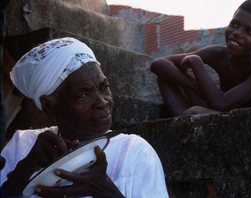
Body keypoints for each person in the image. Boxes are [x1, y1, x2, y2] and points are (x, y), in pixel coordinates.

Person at [0, 37, 169, 198]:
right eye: (83, 95)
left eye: (105, 87)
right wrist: (19, 177)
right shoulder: (22, 146)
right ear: (48, 106)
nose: (103, 102)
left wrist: (107, 193)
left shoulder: (133, 151)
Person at [150, 0, 251, 117]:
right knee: (167, 74)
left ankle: (184, 123)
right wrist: (192, 84)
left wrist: (196, 62)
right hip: (220, 113)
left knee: (194, 112)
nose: (237, 33)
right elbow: (158, 64)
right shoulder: (218, 53)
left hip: (248, 125)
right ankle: (181, 122)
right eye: (234, 24)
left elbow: (221, 104)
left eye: (249, 31)